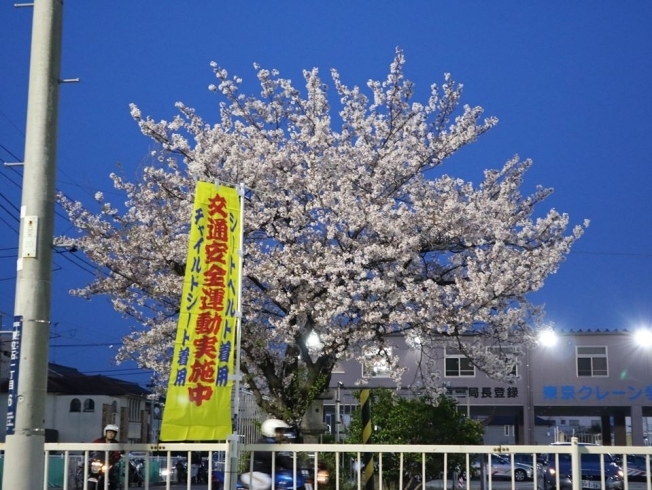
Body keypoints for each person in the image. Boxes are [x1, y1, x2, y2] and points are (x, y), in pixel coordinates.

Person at [240, 419, 294, 490]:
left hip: (264, 474)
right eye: (279, 431)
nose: (282, 434)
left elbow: (283, 460)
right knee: (266, 483)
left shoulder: (275, 445)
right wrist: (283, 457)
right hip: (253, 474)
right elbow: (276, 457)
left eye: (282, 431)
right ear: (270, 431)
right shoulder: (262, 444)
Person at [91, 424, 122, 489]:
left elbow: (117, 454)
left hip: (108, 463)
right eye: (109, 432)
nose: (111, 434)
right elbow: (91, 448)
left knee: (112, 478)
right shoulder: (98, 441)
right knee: (88, 471)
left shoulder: (116, 444)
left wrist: (115, 458)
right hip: (97, 462)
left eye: (113, 433)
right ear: (105, 432)